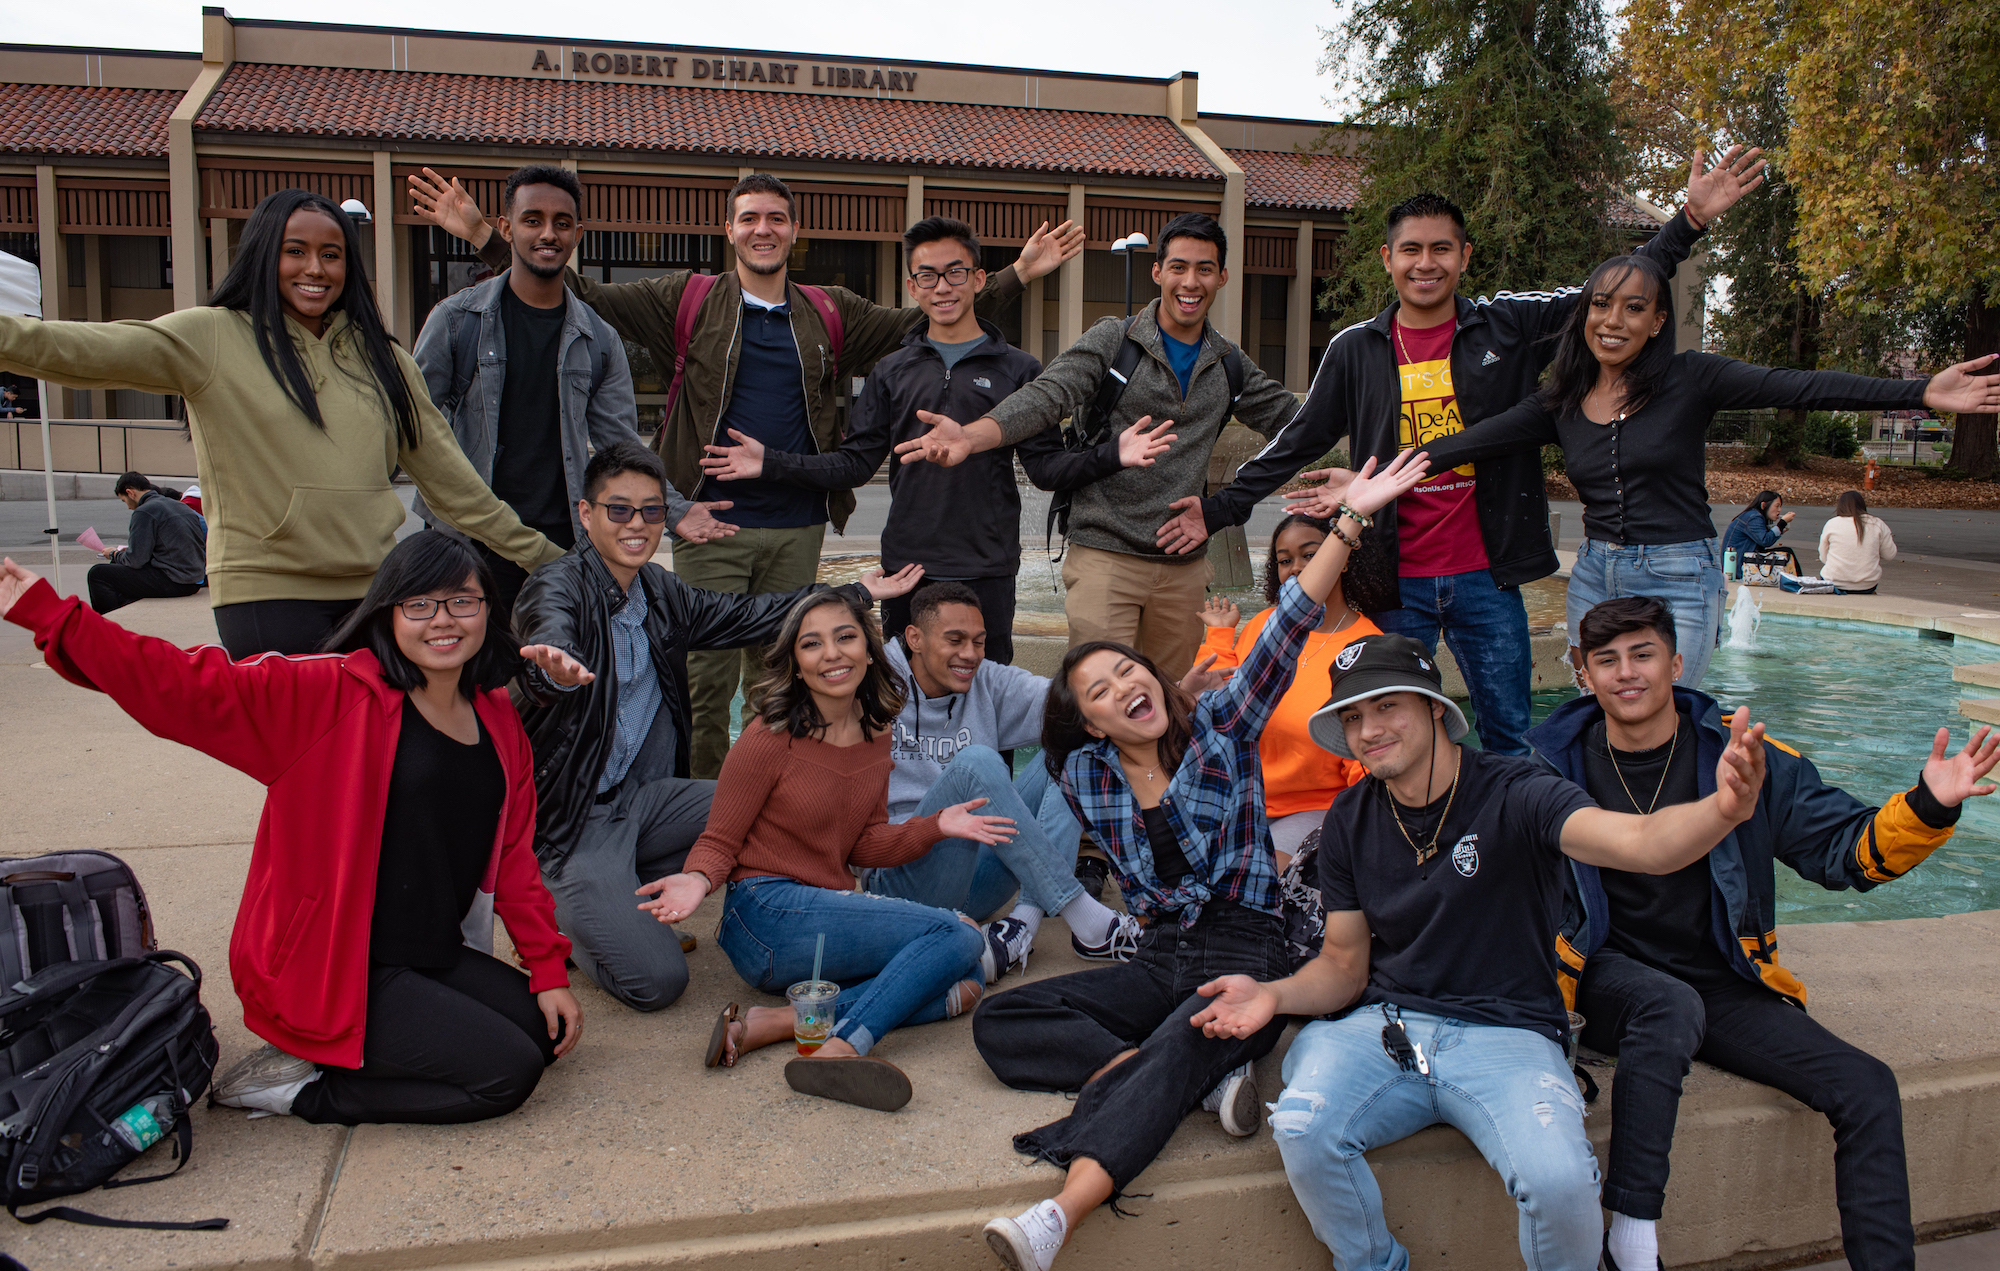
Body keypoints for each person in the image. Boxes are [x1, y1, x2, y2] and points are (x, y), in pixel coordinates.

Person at [409, 168, 1083, 777]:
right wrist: (479, 234)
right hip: (711, 525)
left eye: (777, 218)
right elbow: (578, 292)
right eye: (749, 217)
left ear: (795, 231)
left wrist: (1016, 276)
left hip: (796, 527)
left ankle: (776, 810)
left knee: (789, 679)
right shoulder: (689, 298)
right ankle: (701, 815)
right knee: (703, 688)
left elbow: (933, 313)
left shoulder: (830, 311)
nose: (763, 229)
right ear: (728, 229)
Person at [1184, 627, 1772, 1271]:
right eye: (1352, 715)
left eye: (1387, 706)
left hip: (1509, 1030)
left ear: (1435, 707)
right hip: (1387, 1029)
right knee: (1301, 1125)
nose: (1369, 729)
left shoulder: (1516, 791)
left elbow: (1641, 843)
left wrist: (1723, 809)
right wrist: (1271, 994)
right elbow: (1344, 968)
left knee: (1560, 1184)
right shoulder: (1350, 817)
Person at [972, 453, 1434, 1271]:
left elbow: (1288, 622)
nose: (1124, 689)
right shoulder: (1089, 776)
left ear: (1153, 675)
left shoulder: (1223, 725)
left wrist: (1352, 520)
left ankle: (1058, 1212)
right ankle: (1191, 1074)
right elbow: (1149, 893)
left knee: (1188, 1035)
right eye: (1102, 693)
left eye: (1129, 672)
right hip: (1162, 952)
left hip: (1245, 945)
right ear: (1090, 724)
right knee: (1001, 1020)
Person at [1180, 152, 1768, 753]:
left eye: (1441, 249)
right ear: (1389, 259)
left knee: (1511, 734)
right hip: (1395, 577)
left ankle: (1513, 840)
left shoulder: (1508, 326)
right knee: (1395, 735)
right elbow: (1296, 440)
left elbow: (1612, 292)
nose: (1425, 264)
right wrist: (1222, 509)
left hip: (1486, 573)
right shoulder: (1357, 348)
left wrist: (1688, 221)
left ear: (1465, 257)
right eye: (1411, 250)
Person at [0, 532, 581, 1125]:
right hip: (336, 967)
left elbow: (512, 857)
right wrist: (50, 614)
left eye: (462, 601)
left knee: (545, 1034)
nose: (443, 620)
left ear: (488, 609)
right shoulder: (327, 694)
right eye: (419, 604)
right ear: (388, 611)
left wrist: (547, 967)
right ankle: (295, 1091)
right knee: (506, 1073)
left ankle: (356, 1053)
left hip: (427, 949)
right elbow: (177, 682)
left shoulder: (495, 714)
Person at [1528, 595, 1998, 1271]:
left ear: (1677, 661)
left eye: (1643, 653)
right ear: (1584, 671)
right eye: (1607, 659)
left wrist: (1928, 804)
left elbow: (1846, 852)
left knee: (1866, 1087)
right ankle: (1631, 1247)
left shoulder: (1745, 754)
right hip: (1602, 978)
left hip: (1724, 982)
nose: (1626, 672)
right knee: (1666, 1004)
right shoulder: (1548, 765)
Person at [0, 190, 567, 659]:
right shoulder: (213, 337)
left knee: (390, 762)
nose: (315, 269)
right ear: (264, 254)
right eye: (296, 251)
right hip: (267, 596)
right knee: (312, 764)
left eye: (332, 253)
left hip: (374, 595)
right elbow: (73, 348)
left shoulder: (383, 359)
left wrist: (553, 559)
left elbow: (458, 489)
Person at [1410, 254, 2000, 685]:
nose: (1613, 321)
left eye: (1634, 308)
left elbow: (1801, 385)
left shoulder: (1692, 378)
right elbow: (1463, 444)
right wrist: (1367, 480)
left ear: (1658, 321)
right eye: (1600, 304)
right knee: (1597, 717)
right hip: (1593, 576)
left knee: (1672, 720)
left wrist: (1921, 390)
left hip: (1679, 578)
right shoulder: (1560, 399)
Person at [509, 441, 920, 1012]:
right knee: (657, 982)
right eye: (619, 509)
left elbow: (742, 616)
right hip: (576, 819)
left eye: (653, 511)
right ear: (586, 514)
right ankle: (562, 907)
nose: (638, 525)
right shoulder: (558, 587)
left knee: (772, 804)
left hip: (645, 801)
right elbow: (547, 635)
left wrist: (851, 595)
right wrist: (552, 674)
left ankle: (787, 909)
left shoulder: (658, 589)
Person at [700, 215, 1174, 667]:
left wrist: (1116, 454)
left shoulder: (1019, 369)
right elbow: (853, 465)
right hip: (907, 571)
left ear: (978, 278)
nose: (942, 287)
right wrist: (771, 462)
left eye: (954, 273)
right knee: (904, 704)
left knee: (988, 702)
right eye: (927, 277)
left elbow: (1047, 469)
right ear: (912, 286)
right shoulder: (891, 370)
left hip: (987, 566)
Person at [639, 588, 1013, 1113]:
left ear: (868, 647)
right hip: (766, 914)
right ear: (795, 661)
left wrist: (936, 827)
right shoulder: (769, 735)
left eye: (845, 637)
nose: (832, 654)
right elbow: (720, 839)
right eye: (812, 644)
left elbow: (863, 843)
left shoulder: (876, 732)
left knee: (966, 974)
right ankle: (841, 1047)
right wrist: (697, 879)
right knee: (953, 936)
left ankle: (781, 1022)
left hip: (822, 924)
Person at [893, 213, 1308, 682]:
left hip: (1184, 568)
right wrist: (972, 435)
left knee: (1177, 704)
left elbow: (1305, 430)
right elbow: (1048, 395)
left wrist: (1227, 507)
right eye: (1178, 267)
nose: (1190, 282)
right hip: (1104, 556)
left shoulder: (1229, 364)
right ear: (1158, 272)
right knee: (1099, 697)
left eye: (1204, 269)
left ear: (1222, 277)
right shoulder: (1115, 340)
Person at [413, 165, 734, 621]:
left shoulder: (599, 339)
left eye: (562, 223)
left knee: (558, 681)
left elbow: (621, 449)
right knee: (467, 683)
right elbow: (414, 430)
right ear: (506, 227)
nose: (548, 234)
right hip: (464, 544)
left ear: (577, 233)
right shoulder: (455, 320)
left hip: (558, 546)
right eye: (532, 220)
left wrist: (674, 509)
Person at [864, 581, 1143, 976]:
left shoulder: (987, 681)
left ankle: (1020, 926)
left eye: (978, 642)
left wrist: (1173, 694)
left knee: (1073, 746)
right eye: (955, 640)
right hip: (903, 879)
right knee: (976, 762)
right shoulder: (870, 679)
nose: (970, 654)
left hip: (976, 884)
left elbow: (1077, 704)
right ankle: (1088, 921)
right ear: (915, 638)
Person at [1195, 512, 1397, 872]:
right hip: (1241, 800)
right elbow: (1220, 705)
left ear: (1343, 557)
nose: (1296, 568)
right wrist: (1221, 636)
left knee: (1254, 878)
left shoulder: (1368, 647)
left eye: (1310, 555)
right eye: (1285, 560)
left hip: (1314, 809)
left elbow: (1366, 763)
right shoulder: (1262, 626)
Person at [85, 471, 207, 614]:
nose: (128, 507)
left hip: (175, 581)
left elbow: (136, 560)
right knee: (117, 569)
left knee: (98, 574)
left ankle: (108, 623)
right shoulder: (179, 505)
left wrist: (113, 554)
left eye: (124, 501)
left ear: (130, 493)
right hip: (194, 579)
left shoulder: (144, 512)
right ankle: (124, 609)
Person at [1783, 489, 1897, 595]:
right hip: (1867, 585)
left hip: (1833, 582)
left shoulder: (1832, 523)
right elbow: (1890, 555)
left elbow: (1823, 558)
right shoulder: (1877, 524)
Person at [1721, 489, 1796, 578]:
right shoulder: (1754, 517)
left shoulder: (1752, 515)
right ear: (1763, 505)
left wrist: (1781, 530)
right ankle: (1797, 581)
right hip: (1739, 566)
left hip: (1742, 560)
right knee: (1787, 552)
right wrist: (1782, 523)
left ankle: (1795, 580)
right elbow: (1765, 541)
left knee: (1786, 552)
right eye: (1777, 506)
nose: (1779, 510)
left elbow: (1765, 540)